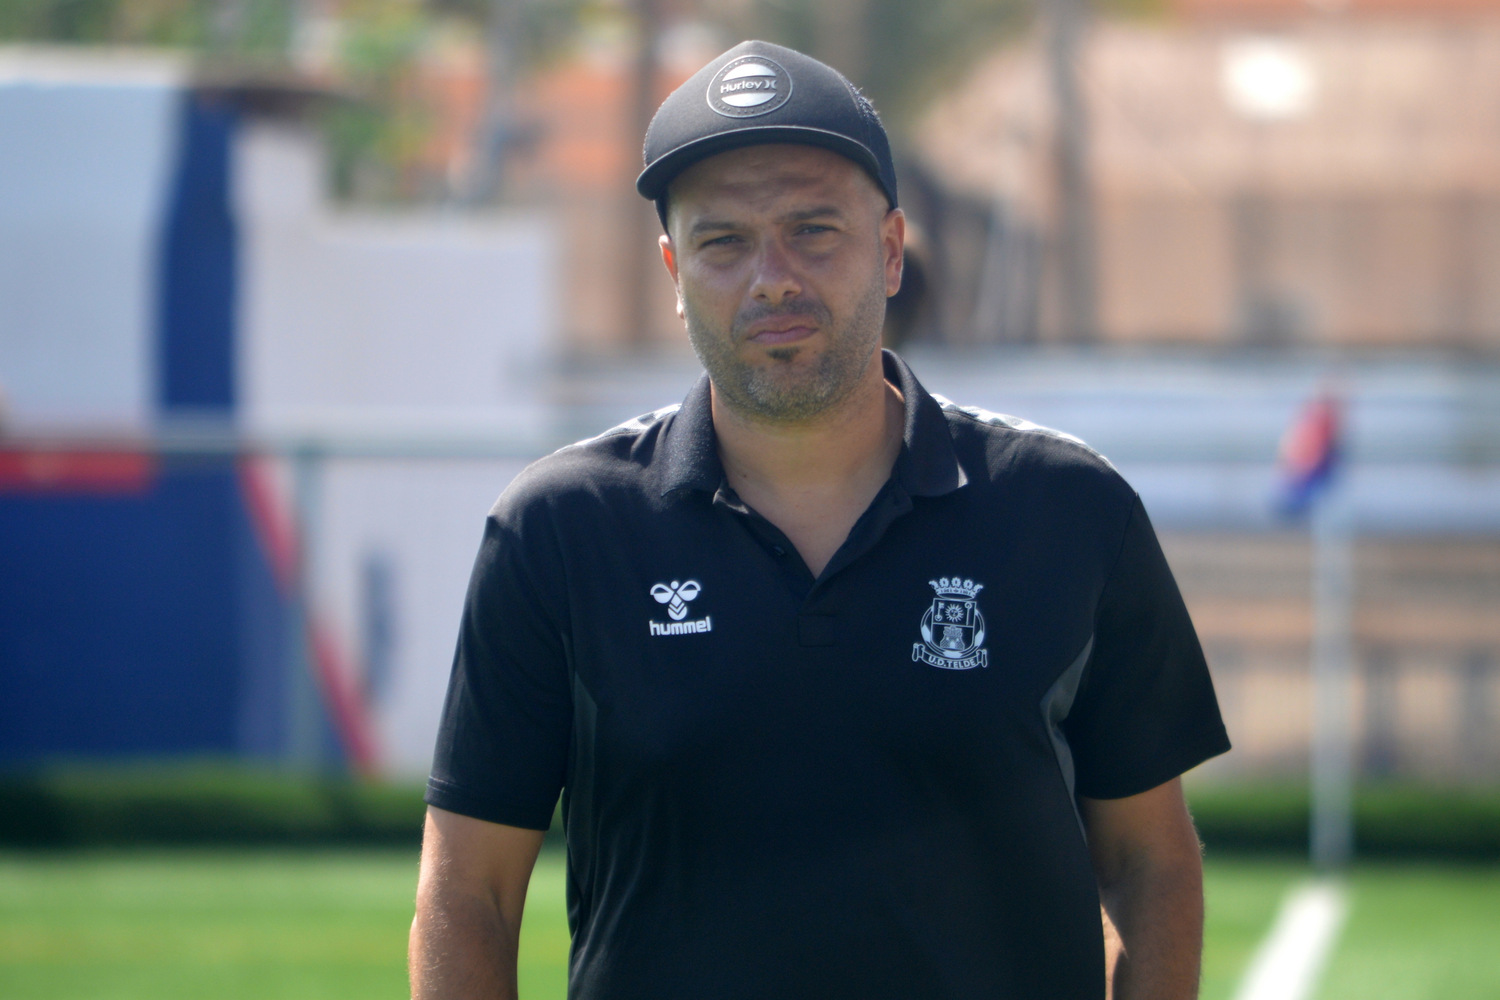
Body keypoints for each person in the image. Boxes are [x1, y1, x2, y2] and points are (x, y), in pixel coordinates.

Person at [410, 39, 1230, 1000]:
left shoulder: (1068, 511)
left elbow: (1151, 864)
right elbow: (471, 894)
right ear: (674, 269)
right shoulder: (557, 530)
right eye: (723, 241)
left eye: (814, 230)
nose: (772, 277)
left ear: (889, 251)